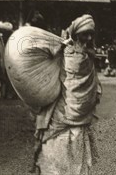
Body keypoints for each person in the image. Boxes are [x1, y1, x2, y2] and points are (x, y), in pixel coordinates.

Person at [34, 14, 101, 175]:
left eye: (91, 33)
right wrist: (60, 46)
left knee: (77, 147)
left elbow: (93, 80)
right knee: (56, 145)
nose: (88, 37)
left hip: (82, 109)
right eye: (85, 33)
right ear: (76, 33)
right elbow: (45, 61)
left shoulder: (89, 54)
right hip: (63, 106)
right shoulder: (62, 50)